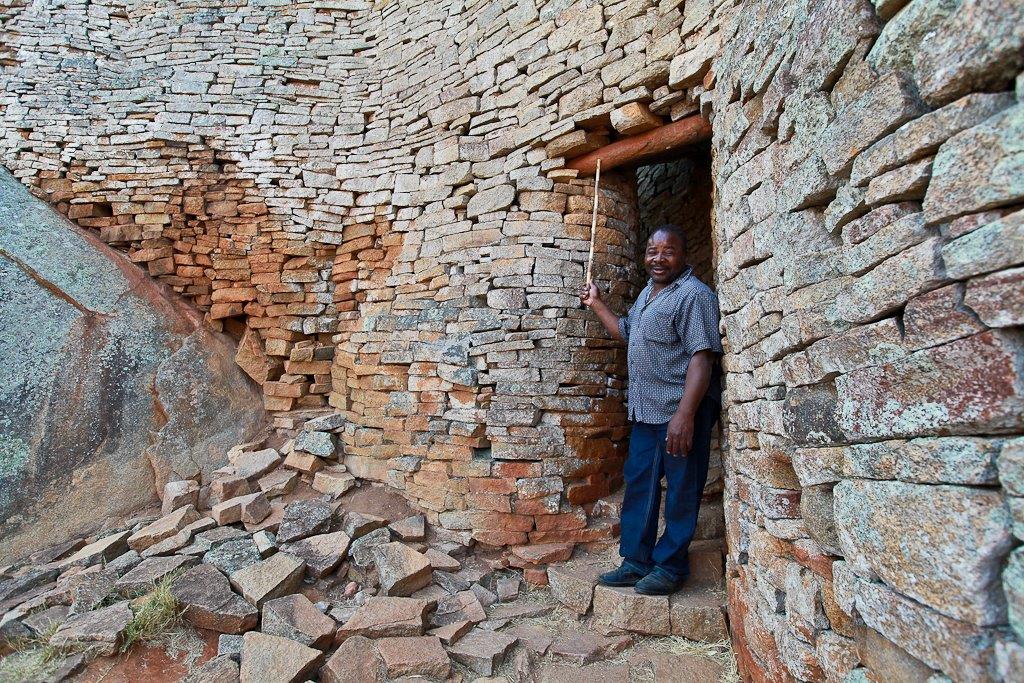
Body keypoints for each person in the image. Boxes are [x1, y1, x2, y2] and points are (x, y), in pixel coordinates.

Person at [579, 223, 723, 595]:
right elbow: (626, 332)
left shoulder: (694, 296)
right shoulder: (648, 293)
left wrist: (685, 415)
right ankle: (636, 561)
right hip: (646, 412)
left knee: (680, 490)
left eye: (668, 251)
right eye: (652, 251)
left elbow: (701, 358)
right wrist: (596, 303)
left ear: (683, 254)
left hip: (679, 413)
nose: (658, 259)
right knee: (640, 484)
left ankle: (671, 567)